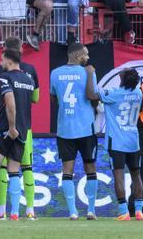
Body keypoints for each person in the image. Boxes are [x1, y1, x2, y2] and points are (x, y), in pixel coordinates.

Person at [0, 37, 39, 219]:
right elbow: (36, 98)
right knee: (26, 168)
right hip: (26, 127)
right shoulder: (31, 71)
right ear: (20, 51)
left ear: (5, 51)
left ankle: (0, 210)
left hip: (5, 125)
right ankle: (30, 210)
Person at [50, 43, 99, 220]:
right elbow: (93, 97)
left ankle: (72, 212)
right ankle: (91, 210)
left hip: (65, 129)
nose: (88, 58)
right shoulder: (88, 72)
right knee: (90, 168)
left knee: (67, 170)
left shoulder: (54, 73)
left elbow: (54, 98)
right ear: (78, 55)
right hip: (86, 128)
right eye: (85, 54)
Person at [98, 67, 143, 221]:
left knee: (119, 175)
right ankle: (139, 211)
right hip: (133, 141)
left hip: (117, 142)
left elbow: (93, 94)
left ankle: (124, 211)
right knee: (136, 175)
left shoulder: (115, 94)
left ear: (123, 79)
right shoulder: (138, 93)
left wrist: (90, 76)